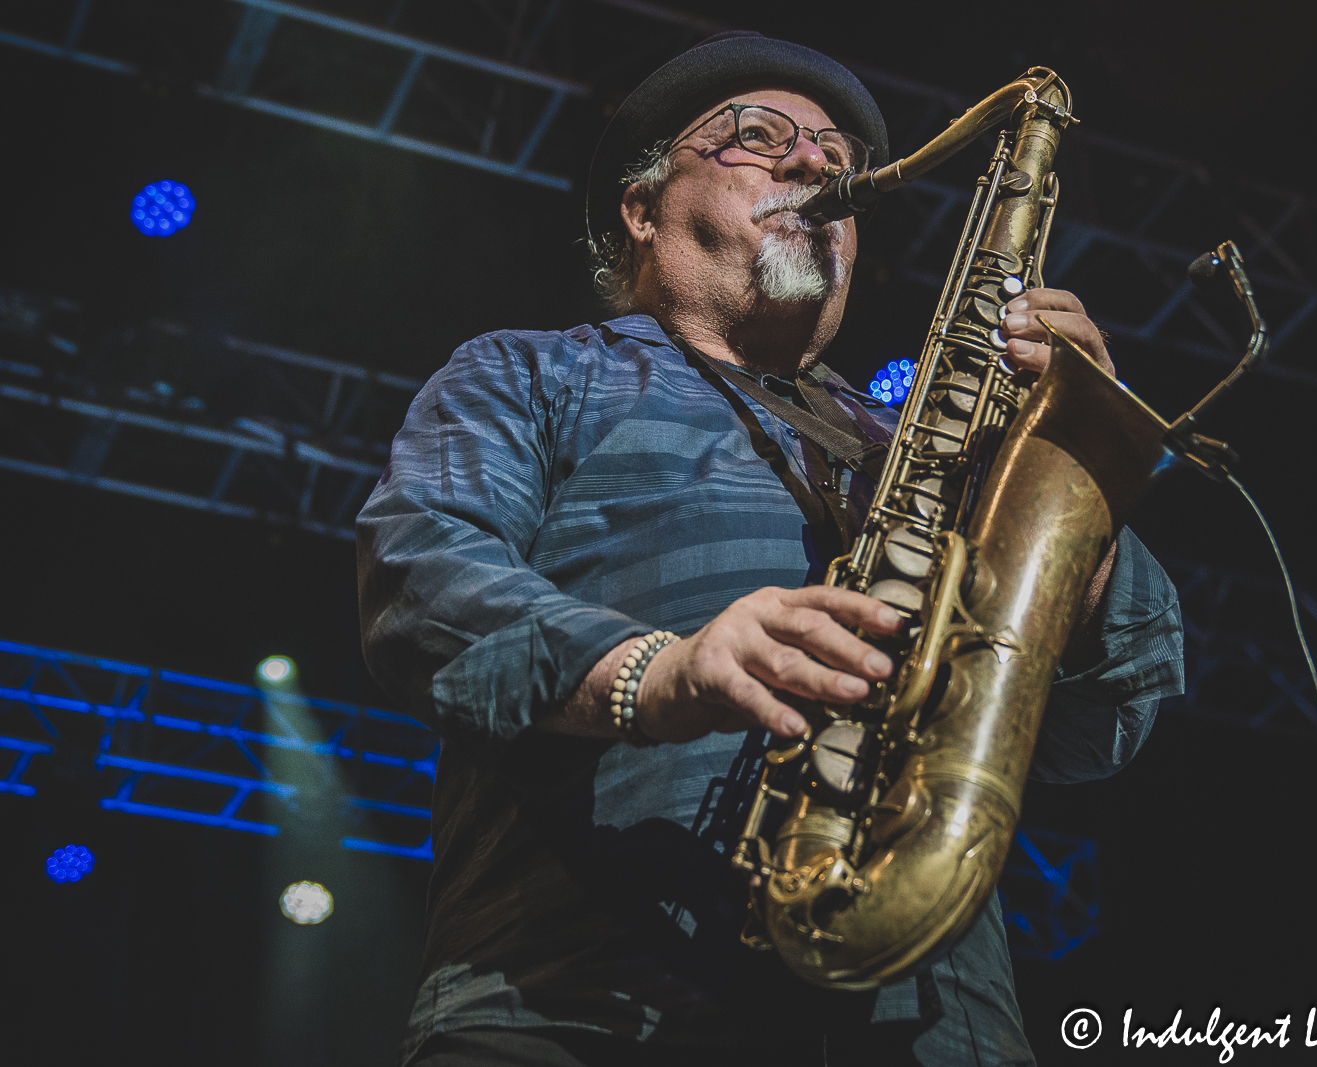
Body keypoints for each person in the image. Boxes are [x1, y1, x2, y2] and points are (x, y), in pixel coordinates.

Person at [357, 32, 1183, 1067]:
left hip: (931, 1026)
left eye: (835, 161)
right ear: (641, 207)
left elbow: (1098, 726)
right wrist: (661, 669)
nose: (811, 165)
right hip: (580, 1006)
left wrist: (1069, 448)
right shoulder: (530, 374)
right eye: (758, 137)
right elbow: (422, 581)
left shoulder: (938, 451)